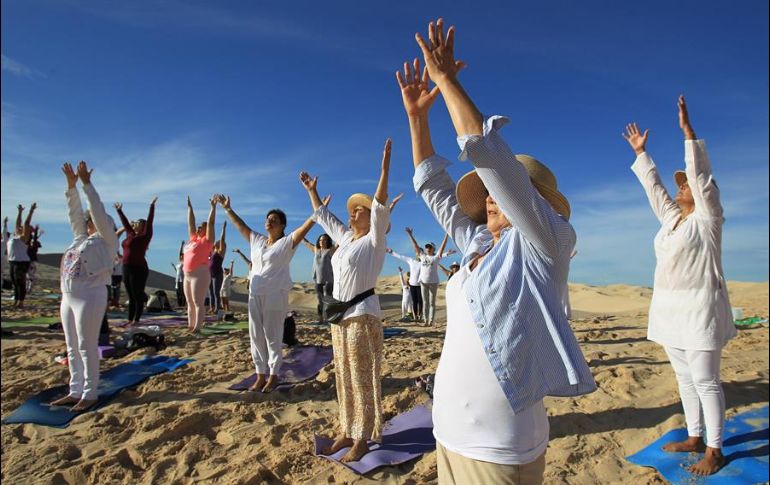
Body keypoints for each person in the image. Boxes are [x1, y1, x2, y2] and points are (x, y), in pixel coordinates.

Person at [398, 19, 596, 483]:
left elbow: (490, 157)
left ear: (533, 203)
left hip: (498, 446)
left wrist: (447, 81)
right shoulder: (477, 243)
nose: (490, 197)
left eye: (501, 192)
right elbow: (431, 185)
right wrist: (417, 119)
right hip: (448, 432)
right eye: (487, 193)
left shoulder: (547, 245)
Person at [624, 96, 735, 476]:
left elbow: (701, 179)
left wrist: (689, 135)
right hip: (669, 312)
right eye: (681, 185)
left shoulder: (708, 221)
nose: (682, 187)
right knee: (686, 379)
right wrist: (642, 154)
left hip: (700, 310)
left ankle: (715, 450)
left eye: (686, 185)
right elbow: (654, 189)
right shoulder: (672, 221)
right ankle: (694, 436)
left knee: (706, 381)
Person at [299, 138, 393, 463]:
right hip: (340, 316)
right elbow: (322, 216)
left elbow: (380, 206)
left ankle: (363, 437)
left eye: (359, 211)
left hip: (362, 315)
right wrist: (312, 190)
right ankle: (347, 430)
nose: (353, 214)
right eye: (352, 210)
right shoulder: (346, 239)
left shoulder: (374, 241)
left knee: (362, 378)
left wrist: (384, 169)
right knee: (343, 375)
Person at [218, 195, 316, 393]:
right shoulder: (257, 241)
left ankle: (273, 375)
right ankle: (260, 375)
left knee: (273, 335)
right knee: (256, 335)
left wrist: (317, 213)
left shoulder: (286, 243)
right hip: (255, 293)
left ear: (282, 225)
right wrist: (228, 209)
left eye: (274, 220)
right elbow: (241, 226)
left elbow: (304, 229)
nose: (270, 222)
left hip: (275, 294)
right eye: (268, 219)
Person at [50, 161, 119, 412]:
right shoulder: (79, 238)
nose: (90, 221)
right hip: (68, 296)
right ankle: (75, 390)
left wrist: (87, 185)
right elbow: (74, 213)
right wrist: (71, 187)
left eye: (94, 221)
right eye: (89, 221)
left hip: (90, 295)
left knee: (86, 345)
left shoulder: (107, 241)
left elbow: (97, 211)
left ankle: (90, 393)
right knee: (71, 347)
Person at [114, 197, 157, 325]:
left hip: (139, 268)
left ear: (142, 226)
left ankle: (136, 320)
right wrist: (119, 211)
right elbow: (126, 224)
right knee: (131, 296)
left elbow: (150, 221)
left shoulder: (145, 236)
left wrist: (151, 206)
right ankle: (129, 319)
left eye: (138, 222)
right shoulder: (131, 234)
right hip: (126, 267)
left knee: (137, 295)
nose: (135, 223)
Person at [183, 195, 218, 333]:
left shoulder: (207, 241)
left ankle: (197, 327)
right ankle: (190, 325)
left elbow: (211, 223)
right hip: (187, 275)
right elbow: (190, 223)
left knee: (198, 302)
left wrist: (213, 207)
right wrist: (190, 208)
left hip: (200, 274)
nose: (198, 228)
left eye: (201, 227)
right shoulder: (193, 239)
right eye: (198, 227)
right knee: (189, 302)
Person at [406, 229, 449, 326]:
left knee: (432, 303)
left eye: (430, 247)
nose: (428, 248)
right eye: (426, 247)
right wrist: (410, 235)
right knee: (425, 302)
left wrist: (446, 235)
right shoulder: (422, 256)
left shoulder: (436, 257)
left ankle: (431, 321)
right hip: (423, 282)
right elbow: (415, 246)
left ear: (433, 249)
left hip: (433, 283)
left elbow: (442, 247)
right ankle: (425, 321)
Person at [302, 233, 336, 323]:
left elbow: (339, 242)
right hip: (318, 279)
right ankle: (321, 319)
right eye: (320, 240)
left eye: (324, 240)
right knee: (320, 300)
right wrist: (301, 235)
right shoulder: (316, 250)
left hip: (329, 279)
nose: (322, 241)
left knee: (328, 299)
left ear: (328, 241)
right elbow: (306, 243)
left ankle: (329, 318)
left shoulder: (331, 250)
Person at [386, 238, 423, 321]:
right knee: (415, 301)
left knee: (420, 301)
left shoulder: (423, 263)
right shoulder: (411, 260)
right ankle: (415, 317)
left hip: (420, 284)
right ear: (416, 253)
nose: (419, 253)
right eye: (417, 252)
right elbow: (401, 257)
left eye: (420, 252)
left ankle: (420, 316)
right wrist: (391, 252)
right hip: (412, 284)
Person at [7, 202, 36, 308]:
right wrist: (19, 212)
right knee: (14, 282)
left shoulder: (24, 238)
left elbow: (26, 223)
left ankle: (21, 302)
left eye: (22, 227)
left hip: (21, 262)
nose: (20, 227)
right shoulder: (14, 236)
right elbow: (18, 223)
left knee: (20, 282)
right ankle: (16, 300)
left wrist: (31, 211)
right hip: (12, 261)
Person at [208, 221, 227, 316]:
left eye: (218, 242)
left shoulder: (220, 252)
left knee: (216, 292)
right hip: (210, 274)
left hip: (217, 274)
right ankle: (211, 307)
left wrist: (223, 228)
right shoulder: (212, 252)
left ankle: (217, 308)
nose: (217, 241)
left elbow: (222, 239)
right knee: (210, 292)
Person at [26, 225, 42, 294]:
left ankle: (29, 289)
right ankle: (28, 288)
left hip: (31, 261)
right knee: (28, 276)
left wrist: (35, 231)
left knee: (29, 276)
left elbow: (33, 239)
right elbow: (33, 239)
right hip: (31, 261)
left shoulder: (32, 247)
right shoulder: (33, 247)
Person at [171, 241, 186, 308]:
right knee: (178, 292)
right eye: (181, 256)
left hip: (182, 280)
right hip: (177, 280)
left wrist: (182, 246)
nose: (181, 256)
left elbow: (180, 253)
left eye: (182, 255)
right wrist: (174, 267)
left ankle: (183, 305)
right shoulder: (178, 263)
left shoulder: (184, 263)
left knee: (182, 292)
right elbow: (177, 271)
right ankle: (179, 305)